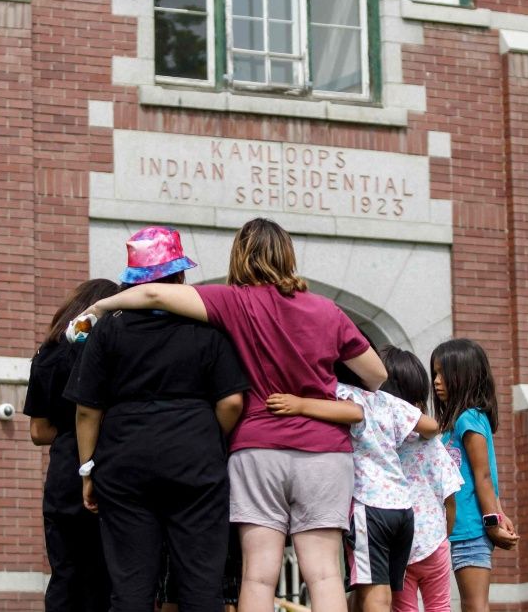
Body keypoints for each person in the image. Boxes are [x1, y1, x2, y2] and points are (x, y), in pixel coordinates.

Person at [87, 217, 388, 612]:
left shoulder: (232, 301)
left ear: (240, 256)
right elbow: (377, 375)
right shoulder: (327, 310)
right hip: (324, 453)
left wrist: (100, 305)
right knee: (325, 574)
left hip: (256, 450)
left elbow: (155, 297)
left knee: (257, 575)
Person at [65, 226, 249, 612]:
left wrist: (87, 469)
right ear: (180, 276)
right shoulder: (207, 329)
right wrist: (206, 437)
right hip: (195, 461)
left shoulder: (109, 330)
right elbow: (232, 401)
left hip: (124, 460)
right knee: (201, 584)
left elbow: (87, 409)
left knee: (131, 585)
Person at [265, 361, 438, 612]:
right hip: (402, 507)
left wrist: (300, 405)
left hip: (370, 507)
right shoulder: (388, 401)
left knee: (375, 597)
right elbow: (431, 427)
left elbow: (354, 412)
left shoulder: (341, 392)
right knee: (377, 594)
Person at [24, 278, 119, 612]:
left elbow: (38, 430)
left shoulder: (47, 354)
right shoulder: (107, 350)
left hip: (62, 478)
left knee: (64, 574)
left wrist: (67, 429)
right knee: (107, 579)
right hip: (105, 470)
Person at [429, 339, 518, 612]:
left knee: (475, 606)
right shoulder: (453, 424)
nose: (436, 381)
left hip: (471, 531)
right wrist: (501, 514)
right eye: (434, 373)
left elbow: (483, 477)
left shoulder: (469, 418)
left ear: (464, 376)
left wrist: (493, 523)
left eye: (444, 374)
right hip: (453, 530)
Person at [379, 346, 463, 612]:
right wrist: (442, 536)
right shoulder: (431, 444)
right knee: (440, 607)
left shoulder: (380, 446)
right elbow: (450, 498)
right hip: (434, 543)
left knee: (403, 609)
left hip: (398, 546)